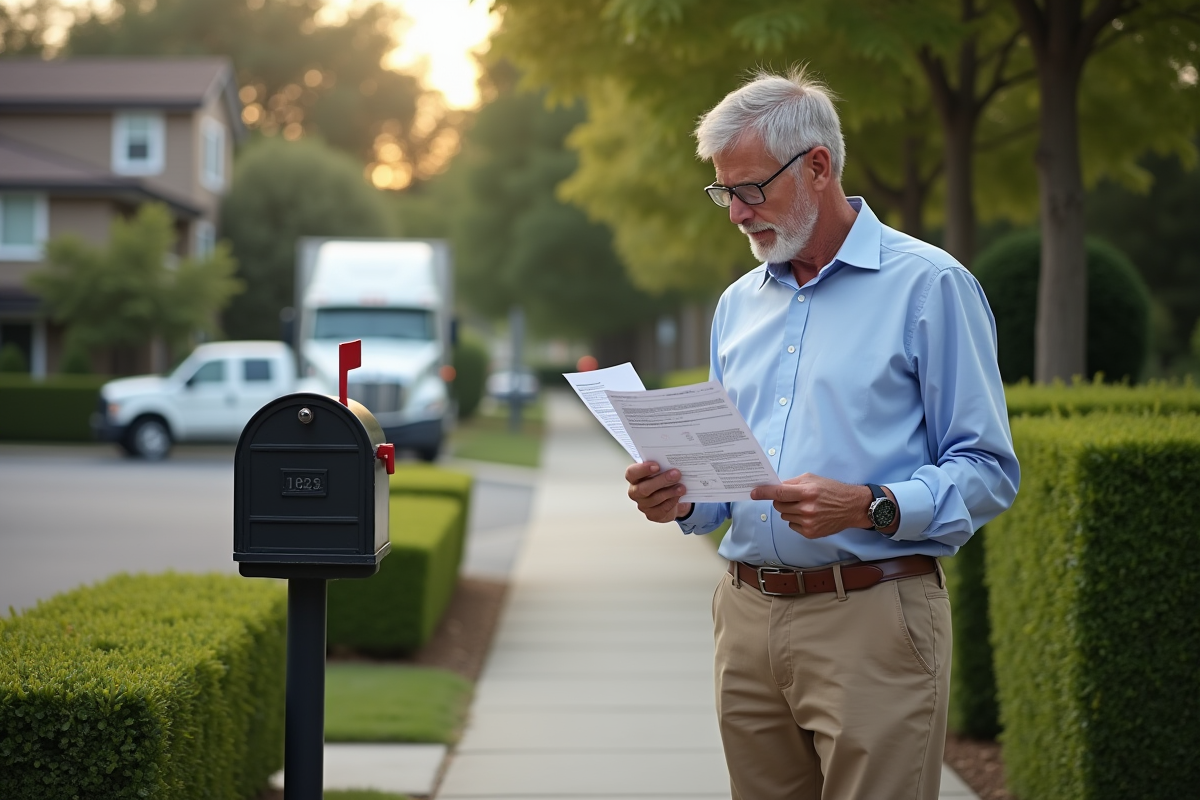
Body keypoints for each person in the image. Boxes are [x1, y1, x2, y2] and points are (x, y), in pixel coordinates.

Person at [625, 68, 1020, 800]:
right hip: (744, 617)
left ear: (817, 166)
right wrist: (679, 498)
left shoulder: (930, 286)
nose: (737, 214)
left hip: (873, 619)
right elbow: (725, 488)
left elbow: (989, 468)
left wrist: (870, 503)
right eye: (724, 193)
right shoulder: (736, 305)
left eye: (750, 189)